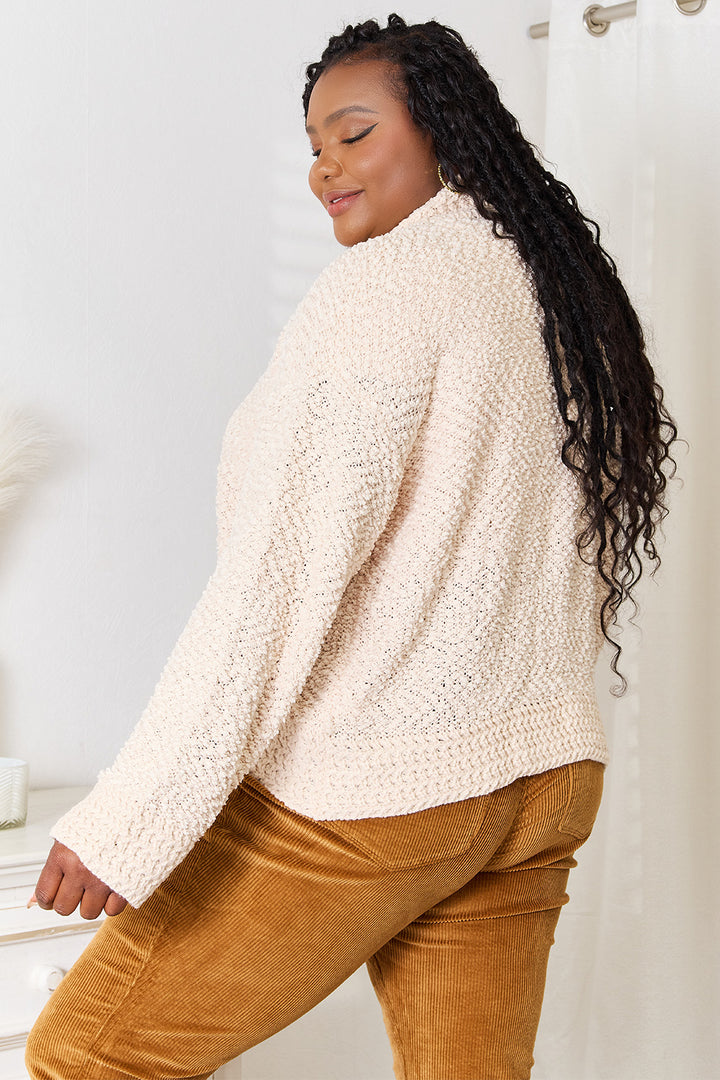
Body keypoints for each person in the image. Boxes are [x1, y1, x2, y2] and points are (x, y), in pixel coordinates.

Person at [25, 14, 677, 1080]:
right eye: (317, 144)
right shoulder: (556, 294)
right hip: (541, 772)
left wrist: (131, 817)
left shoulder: (387, 293)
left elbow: (276, 585)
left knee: (85, 1054)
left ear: (446, 134)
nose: (328, 167)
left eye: (357, 132)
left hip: (395, 782)